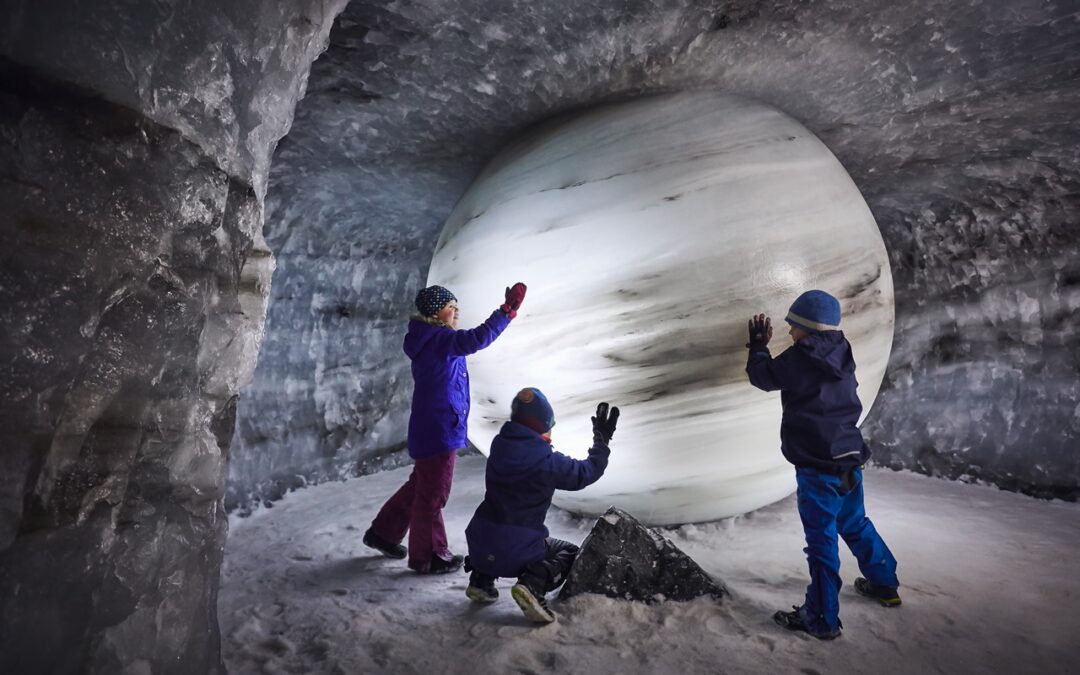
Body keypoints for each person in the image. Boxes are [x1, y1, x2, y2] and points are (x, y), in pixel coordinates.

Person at [745, 289, 900, 640]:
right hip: (848, 459)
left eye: (794, 326)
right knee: (856, 524)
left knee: (821, 542)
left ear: (809, 329)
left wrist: (757, 345)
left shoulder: (803, 356)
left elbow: (763, 377)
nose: (790, 333)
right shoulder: (841, 348)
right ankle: (885, 584)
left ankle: (821, 619)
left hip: (818, 469)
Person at [363, 282, 527, 574]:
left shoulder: (426, 339)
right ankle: (428, 556)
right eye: (451, 308)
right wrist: (506, 311)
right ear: (437, 313)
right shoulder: (440, 341)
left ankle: (383, 533)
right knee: (433, 494)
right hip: (440, 429)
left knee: (420, 487)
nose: (456, 313)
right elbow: (478, 338)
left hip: (431, 426)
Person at [463, 388, 618, 623]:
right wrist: (601, 440)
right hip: (515, 551)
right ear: (543, 425)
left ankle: (481, 580)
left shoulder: (498, 446)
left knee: (496, 536)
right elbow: (586, 473)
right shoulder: (546, 462)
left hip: (478, 546)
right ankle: (533, 584)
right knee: (569, 552)